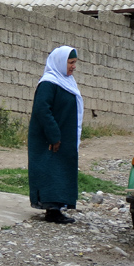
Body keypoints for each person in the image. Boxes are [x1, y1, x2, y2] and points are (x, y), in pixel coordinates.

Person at [28, 46, 84, 224]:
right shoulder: (48, 83)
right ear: (60, 62)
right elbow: (42, 110)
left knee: (60, 170)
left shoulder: (66, 81)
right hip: (50, 139)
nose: (73, 67)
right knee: (51, 170)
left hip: (62, 137)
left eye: (74, 63)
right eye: (70, 63)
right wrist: (54, 135)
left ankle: (58, 206)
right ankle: (52, 210)